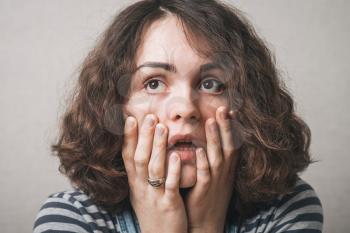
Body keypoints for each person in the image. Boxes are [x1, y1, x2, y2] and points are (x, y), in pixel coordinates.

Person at [33, 0, 323, 232]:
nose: (185, 108)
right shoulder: (72, 217)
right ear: (116, 108)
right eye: (154, 83)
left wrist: (205, 228)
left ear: (248, 107)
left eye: (211, 84)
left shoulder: (288, 208)